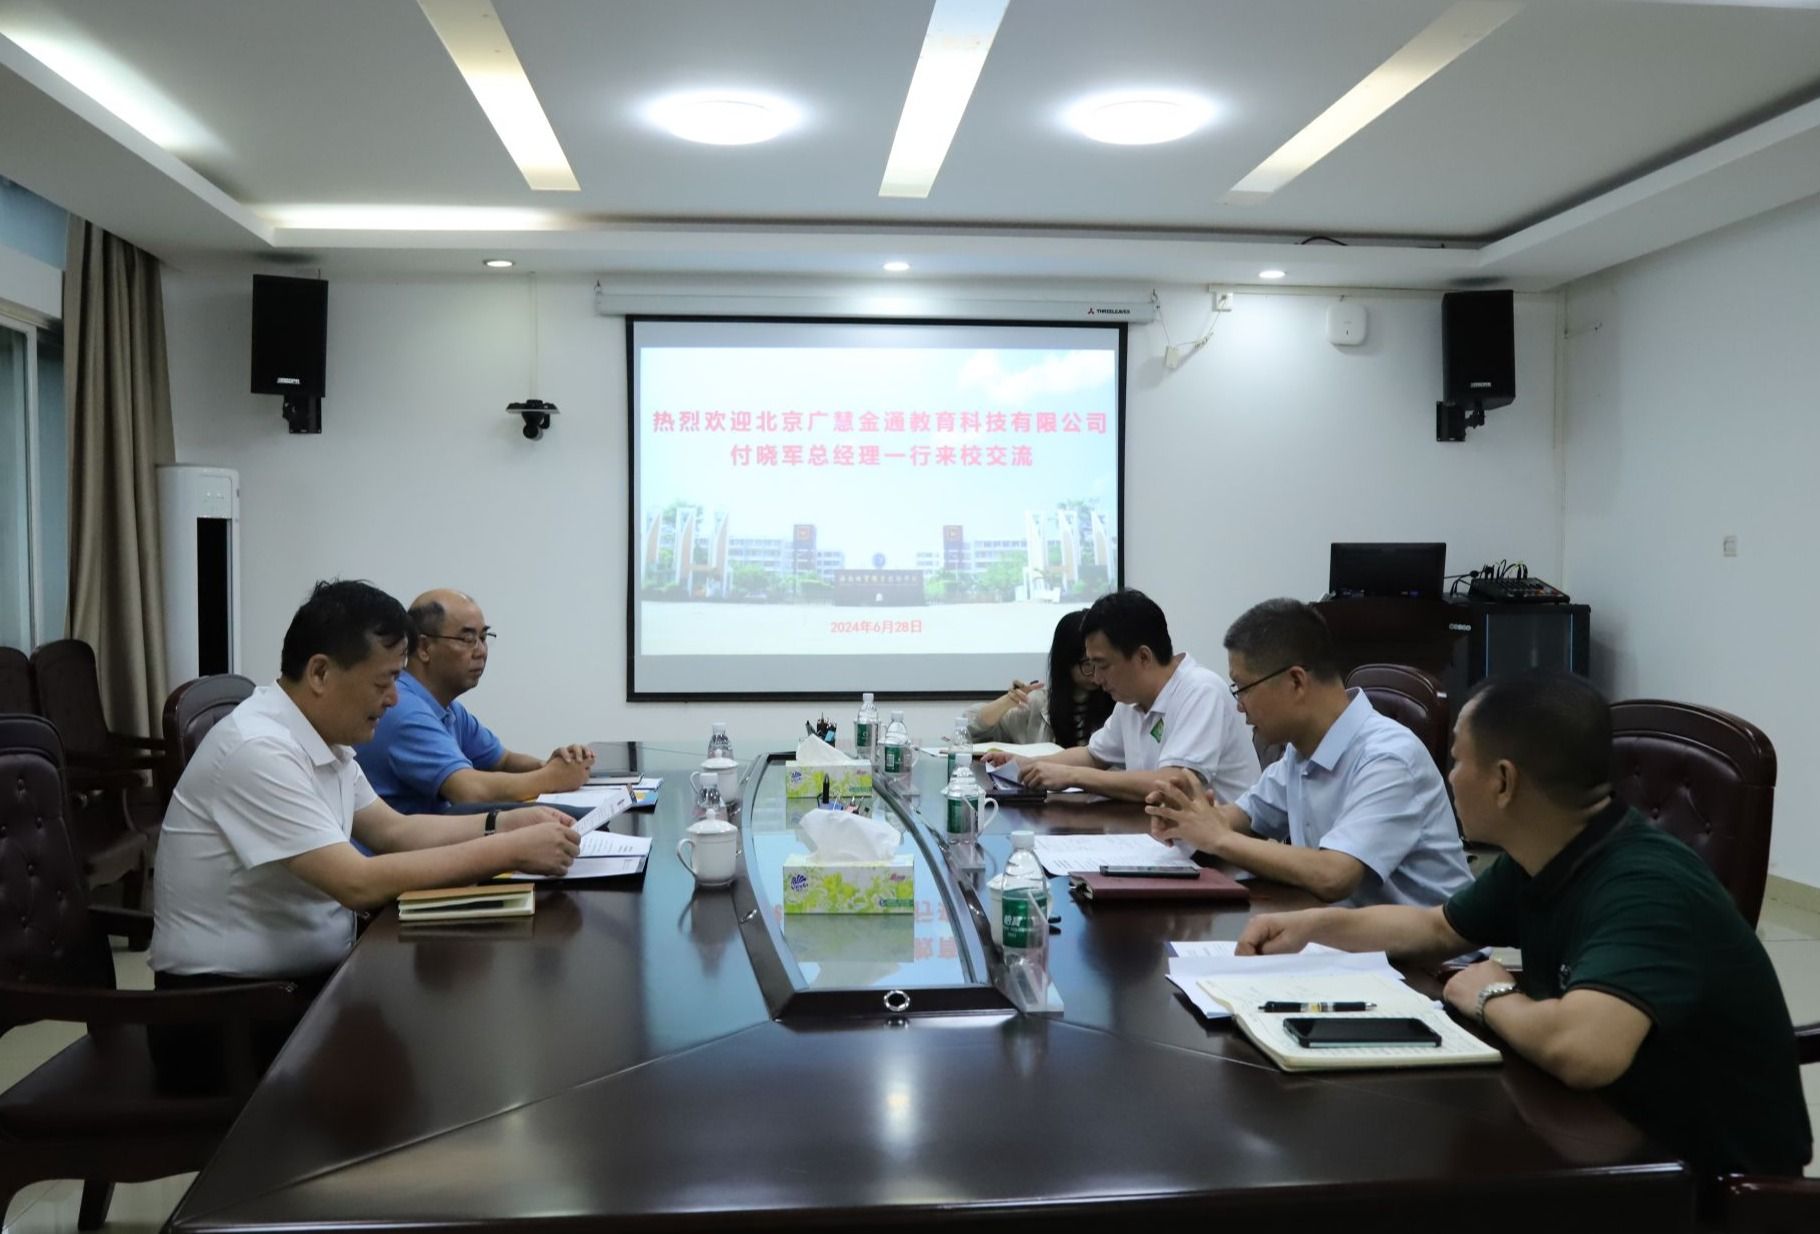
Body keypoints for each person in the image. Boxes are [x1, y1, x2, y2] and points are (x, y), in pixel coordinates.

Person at [1237, 670, 1812, 1177]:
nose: (1448, 776)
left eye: (1458, 760)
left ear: (1504, 781)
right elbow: (1437, 929)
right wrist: (1312, 926)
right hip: (1600, 1131)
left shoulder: (1645, 886)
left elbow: (1584, 1049)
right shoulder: (1548, 852)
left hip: (1708, 1182)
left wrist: (1491, 995)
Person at [150, 580, 581, 1089]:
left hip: (301, 988)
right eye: (385, 681)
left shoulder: (324, 738)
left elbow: (394, 831)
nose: (395, 698)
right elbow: (357, 882)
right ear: (320, 673)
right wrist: (508, 849)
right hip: (227, 1018)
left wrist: (503, 822)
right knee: (453, 1057)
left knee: (469, 1026)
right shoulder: (257, 750)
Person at [1146, 598, 1471, 906]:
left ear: (1296, 682)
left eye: (1242, 688)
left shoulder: (1388, 758)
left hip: (1419, 947)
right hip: (1341, 933)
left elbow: (1334, 875)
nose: (1239, 705)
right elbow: (1245, 816)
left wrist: (1218, 837)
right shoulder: (1301, 752)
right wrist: (1187, 816)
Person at [985, 589, 1259, 803]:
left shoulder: (1200, 691)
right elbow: (1093, 755)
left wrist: (1072, 776)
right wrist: (1025, 765)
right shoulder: (1131, 701)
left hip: (1221, 852)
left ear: (1143, 657)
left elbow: (1173, 783)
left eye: (1103, 665)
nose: (1096, 678)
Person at [356, 589, 596, 814]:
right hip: (403, 844)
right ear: (424, 647)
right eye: (467, 639)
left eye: (483, 637)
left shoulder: (449, 709)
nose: (481, 651)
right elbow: (470, 791)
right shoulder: (403, 708)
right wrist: (552, 777)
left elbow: (502, 760)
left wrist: (553, 765)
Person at [964, 610, 1114, 747]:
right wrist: (1007, 701)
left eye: (1102, 664)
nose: (1097, 675)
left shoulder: (1119, 703)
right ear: (1065, 661)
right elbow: (969, 731)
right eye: (1088, 665)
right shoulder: (1037, 704)